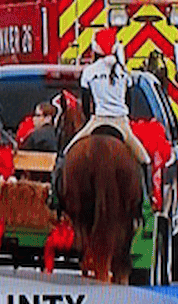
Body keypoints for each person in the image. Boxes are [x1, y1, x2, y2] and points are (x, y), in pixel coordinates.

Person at [62, 28, 152, 188]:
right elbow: (129, 103)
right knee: (145, 161)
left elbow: (86, 105)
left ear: (95, 49)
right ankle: (147, 202)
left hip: (97, 121)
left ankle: (55, 197)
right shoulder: (124, 73)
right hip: (121, 124)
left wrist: (90, 117)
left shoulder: (89, 72)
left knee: (67, 153)